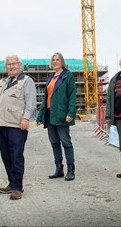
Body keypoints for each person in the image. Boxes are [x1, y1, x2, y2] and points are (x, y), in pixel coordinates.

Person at [0, 55, 37, 200]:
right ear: (6, 66)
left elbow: (31, 102)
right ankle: (12, 182)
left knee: (16, 156)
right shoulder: (2, 82)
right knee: (6, 156)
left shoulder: (27, 81)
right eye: (8, 64)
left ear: (20, 65)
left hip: (17, 125)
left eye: (14, 64)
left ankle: (17, 187)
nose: (11, 66)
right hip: (2, 124)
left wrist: (26, 118)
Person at [36, 52, 77, 181]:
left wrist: (71, 113)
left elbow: (72, 95)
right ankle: (59, 169)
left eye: (57, 59)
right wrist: (40, 115)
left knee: (66, 142)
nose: (55, 61)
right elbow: (46, 98)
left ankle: (71, 170)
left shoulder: (67, 76)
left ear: (62, 61)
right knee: (54, 143)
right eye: (53, 60)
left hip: (61, 114)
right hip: (49, 115)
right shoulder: (51, 77)